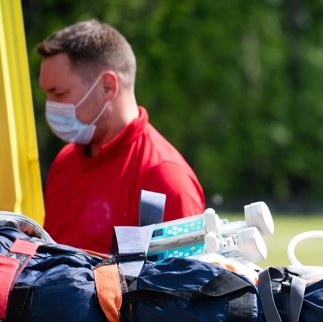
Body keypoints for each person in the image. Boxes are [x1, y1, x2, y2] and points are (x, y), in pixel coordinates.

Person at [37, 19, 205, 253]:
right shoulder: (64, 160)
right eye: (47, 94)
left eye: (58, 93)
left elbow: (187, 284)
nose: (50, 106)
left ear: (107, 86)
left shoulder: (164, 178)